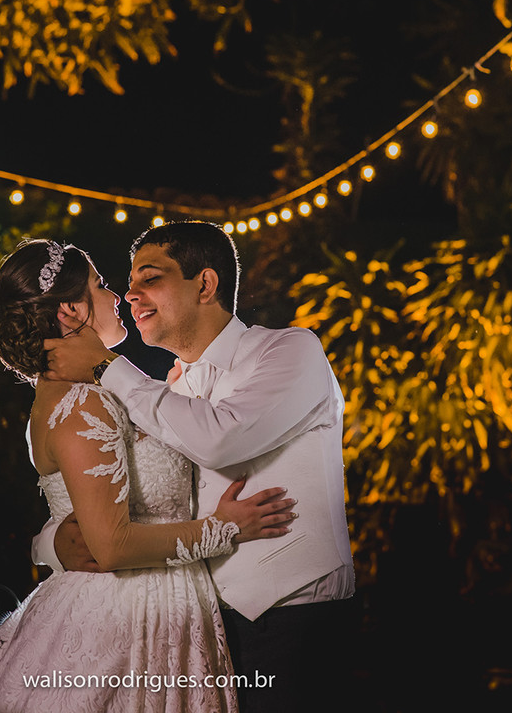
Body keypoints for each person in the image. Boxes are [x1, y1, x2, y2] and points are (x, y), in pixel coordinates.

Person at [0, 238, 297, 712]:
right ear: (71, 312)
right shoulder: (83, 403)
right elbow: (111, 546)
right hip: (129, 616)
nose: (118, 299)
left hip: (154, 606)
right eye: (101, 285)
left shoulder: (74, 395)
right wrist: (228, 529)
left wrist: (47, 541)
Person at [40, 220, 356, 712]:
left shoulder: (290, 351)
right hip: (195, 631)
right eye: (128, 281)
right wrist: (51, 542)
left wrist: (106, 365)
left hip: (294, 620)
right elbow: (134, 504)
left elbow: (222, 438)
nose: (130, 293)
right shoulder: (167, 393)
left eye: (150, 278)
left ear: (205, 285)